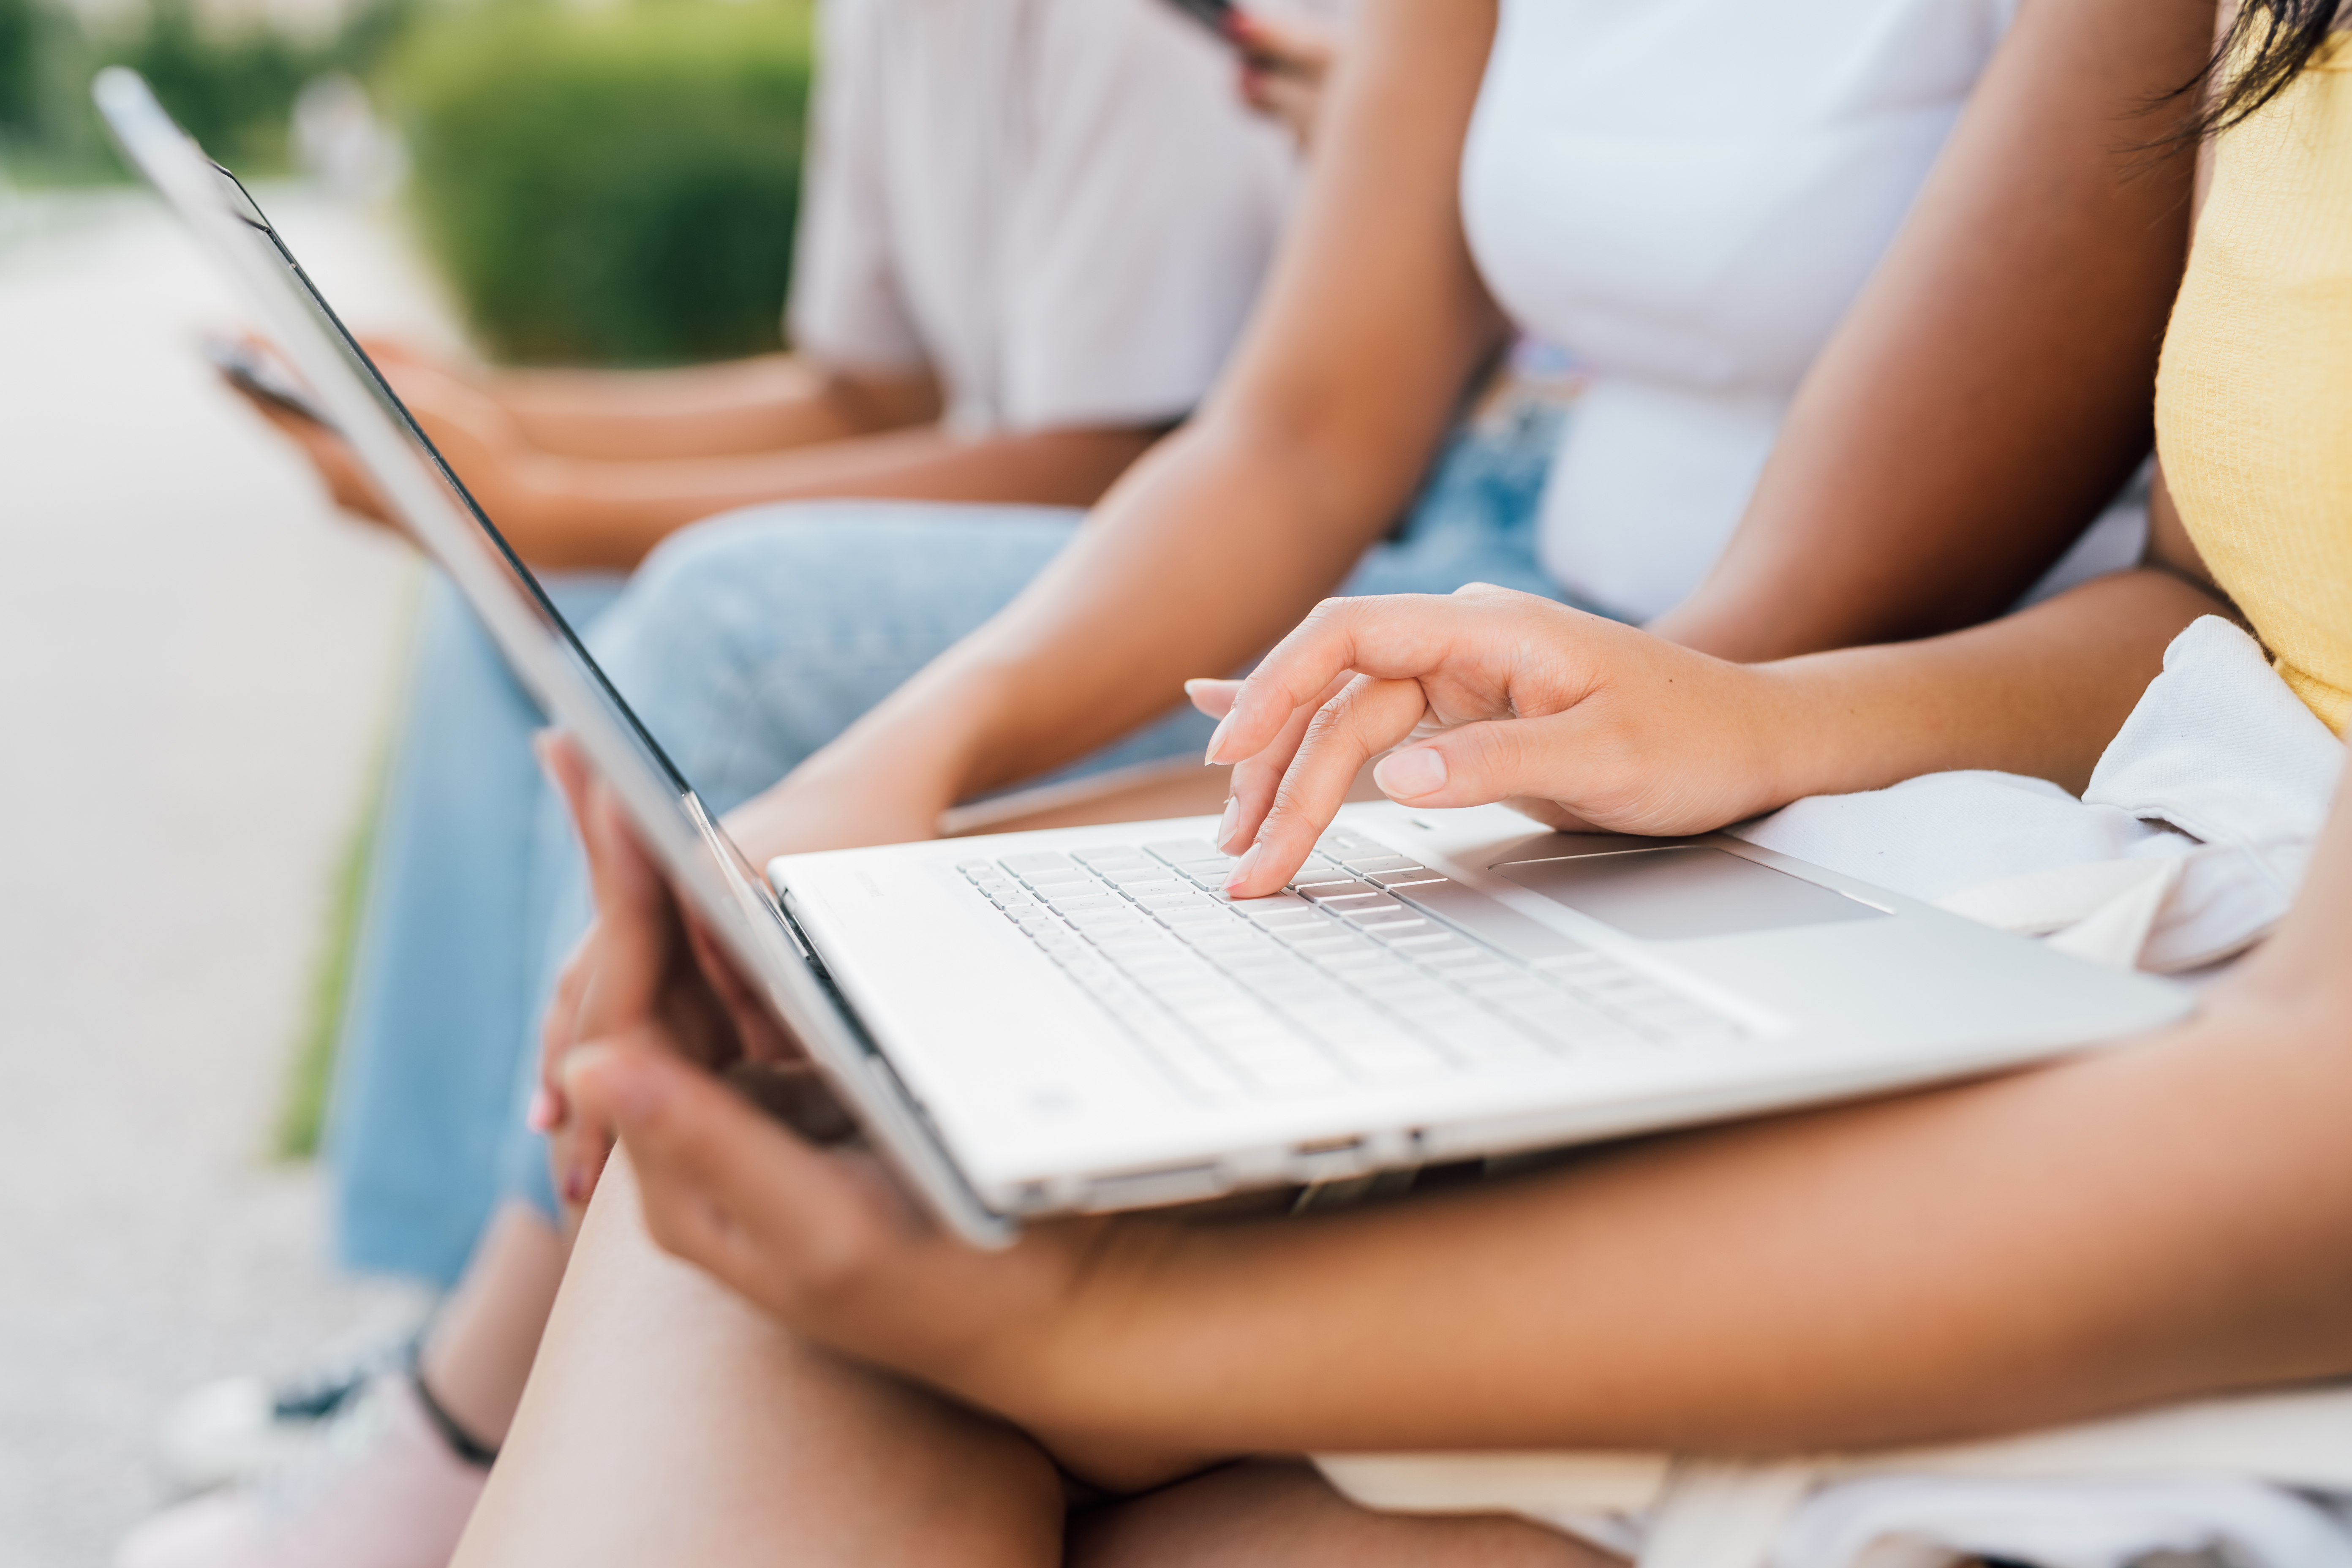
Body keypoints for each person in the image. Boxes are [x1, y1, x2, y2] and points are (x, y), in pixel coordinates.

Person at [124, 0, 2194, 1557]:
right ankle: (460, 1410)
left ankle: (448, 1439)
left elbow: (1784, 627)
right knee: (826, 1026)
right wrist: (904, 766)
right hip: (1521, 638)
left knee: (890, 1118)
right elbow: (1296, 429)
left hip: (1721, 695)